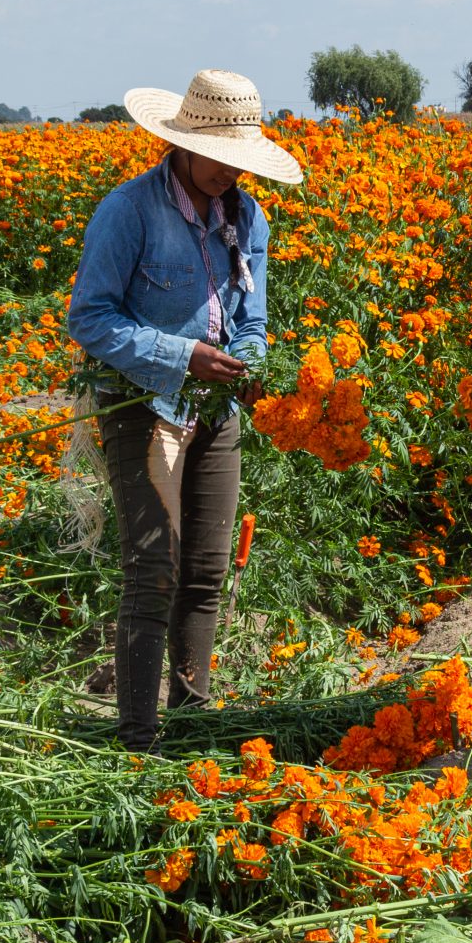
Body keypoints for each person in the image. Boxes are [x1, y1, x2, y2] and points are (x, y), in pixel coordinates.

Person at [68, 70, 300, 751]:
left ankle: (191, 725)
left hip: (216, 410)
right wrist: (180, 355)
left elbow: (250, 318)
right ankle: (138, 740)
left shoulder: (248, 216)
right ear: (185, 143)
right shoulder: (129, 210)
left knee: (205, 568)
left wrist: (250, 361)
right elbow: (90, 318)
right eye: (220, 159)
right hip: (144, 406)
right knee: (152, 568)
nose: (231, 173)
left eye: (241, 161)